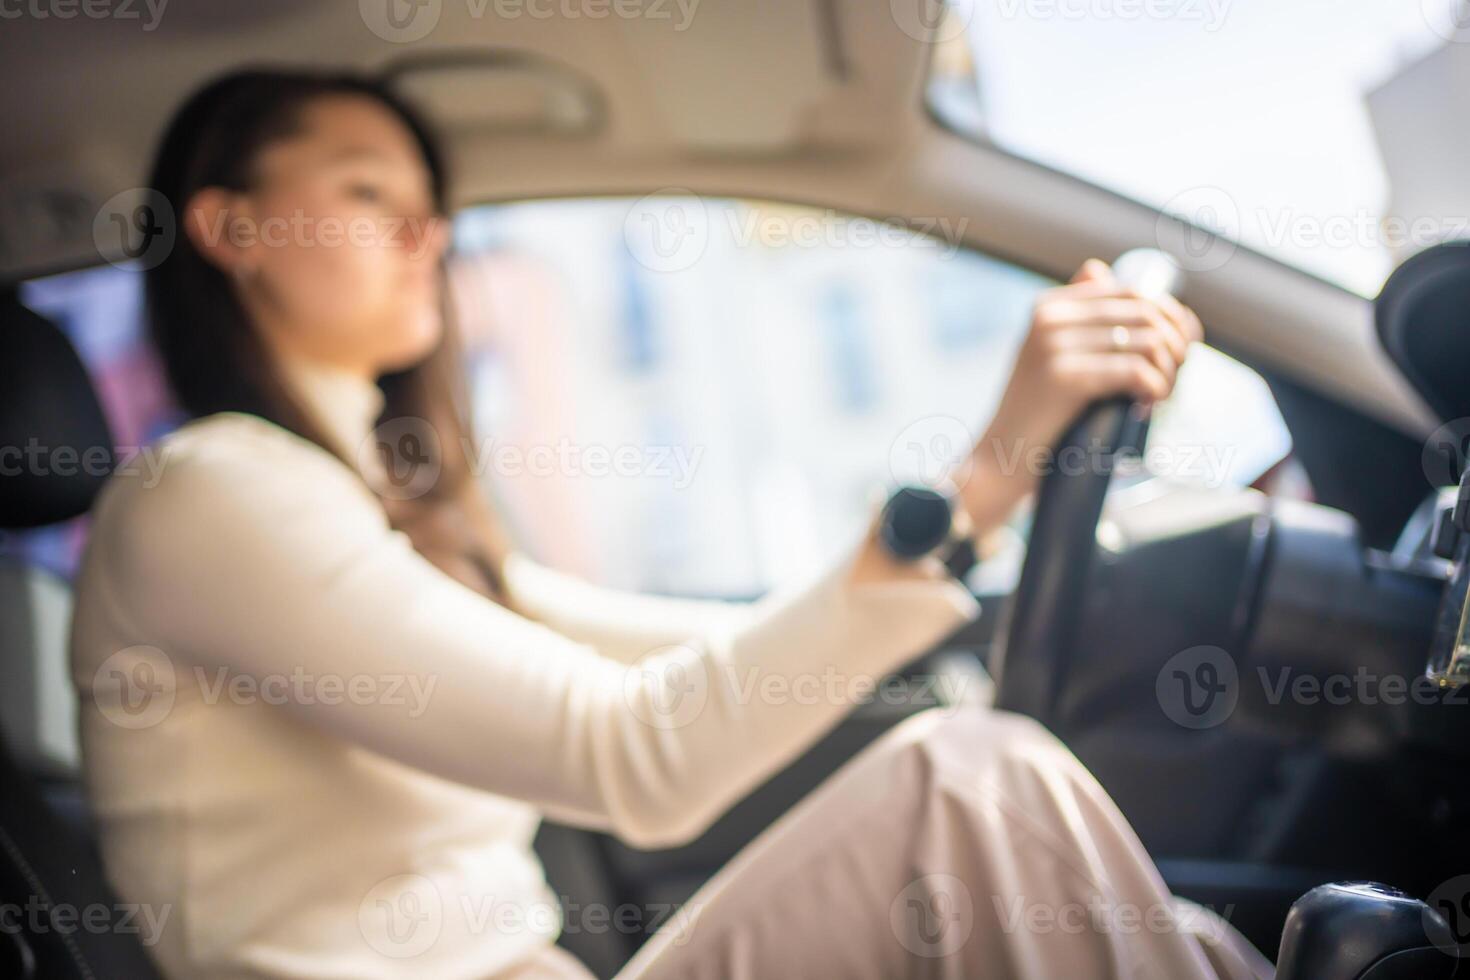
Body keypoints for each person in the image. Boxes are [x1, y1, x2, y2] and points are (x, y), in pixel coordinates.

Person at [69, 68, 1272, 979]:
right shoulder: (208, 492)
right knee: (974, 785)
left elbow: (708, 655)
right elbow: (633, 753)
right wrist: (980, 476)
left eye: (430, 208)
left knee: (1185, 938)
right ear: (231, 229)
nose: (425, 236)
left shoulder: (365, 521)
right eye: (369, 194)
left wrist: (987, 509)